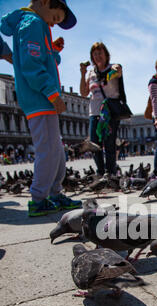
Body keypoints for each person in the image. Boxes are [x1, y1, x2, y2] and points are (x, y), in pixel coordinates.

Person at [1, 0, 81, 217]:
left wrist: (53, 50)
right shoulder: (32, 23)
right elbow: (31, 66)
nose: (54, 25)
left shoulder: (37, 25)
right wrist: (53, 95)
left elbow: (42, 60)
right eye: (55, 18)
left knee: (56, 150)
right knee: (47, 150)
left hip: (41, 99)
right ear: (45, 2)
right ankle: (38, 199)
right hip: (39, 99)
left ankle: (54, 193)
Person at [80, 42, 123, 175]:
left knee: (109, 144)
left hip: (109, 112)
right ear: (92, 57)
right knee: (94, 145)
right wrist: (83, 74)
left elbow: (118, 71)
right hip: (94, 112)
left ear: (106, 55)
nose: (98, 56)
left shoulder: (113, 68)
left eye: (100, 53)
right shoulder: (91, 73)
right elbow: (83, 93)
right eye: (95, 54)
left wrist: (115, 69)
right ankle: (100, 172)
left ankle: (110, 173)